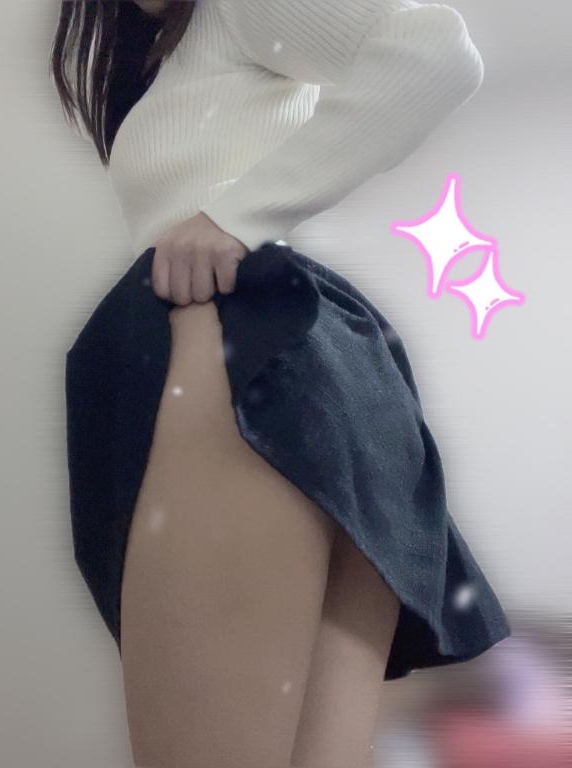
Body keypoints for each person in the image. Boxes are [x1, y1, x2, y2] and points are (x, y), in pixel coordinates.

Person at [53, 2, 511, 766]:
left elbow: (437, 51)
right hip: (324, 382)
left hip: (246, 365)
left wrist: (236, 214)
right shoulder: (178, 54)